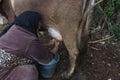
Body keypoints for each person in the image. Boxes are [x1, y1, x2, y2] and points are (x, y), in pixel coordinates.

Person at [0, 11, 60, 80]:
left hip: (5, 61)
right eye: (38, 23)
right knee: (30, 72)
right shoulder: (30, 43)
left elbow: (28, 47)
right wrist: (56, 46)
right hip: (3, 72)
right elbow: (47, 59)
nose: (39, 26)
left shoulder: (14, 28)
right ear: (33, 24)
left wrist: (48, 44)